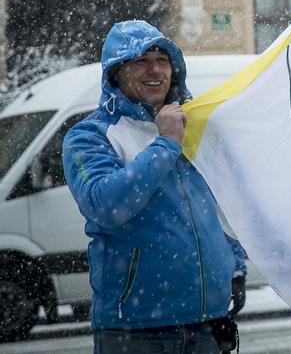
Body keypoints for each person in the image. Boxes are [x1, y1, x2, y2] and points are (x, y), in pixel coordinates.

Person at [62, 20, 246, 353]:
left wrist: (235, 269)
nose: (155, 70)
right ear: (117, 72)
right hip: (136, 330)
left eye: (162, 60)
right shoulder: (89, 136)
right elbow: (106, 205)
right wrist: (165, 144)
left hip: (207, 323)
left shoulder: (193, 124)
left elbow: (223, 206)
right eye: (141, 61)